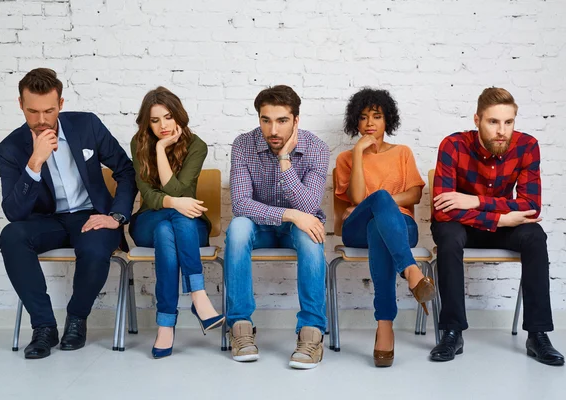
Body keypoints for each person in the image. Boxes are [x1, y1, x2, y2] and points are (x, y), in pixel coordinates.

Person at [0, 68, 137, 359]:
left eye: (48, 110)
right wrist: (34, 163)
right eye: (32, 111)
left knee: (97, 247)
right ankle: (44, 328)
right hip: (46, 221)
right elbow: (14, 212)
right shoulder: (10, 148)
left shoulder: (87, 126)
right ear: (20, 105)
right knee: (11, 237)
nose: (41, 120)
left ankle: (76, 319)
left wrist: (117, 216)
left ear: (61, 104)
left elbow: (125, 170)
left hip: (91, 215)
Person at [430, 87, 564, 366]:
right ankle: (452, 331)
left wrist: (473, 201)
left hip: (498, 226)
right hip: (462, 228)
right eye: (493, 122)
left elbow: (530, 207)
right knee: (449, 236)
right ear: (477, 120)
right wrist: (501, 218)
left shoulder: (527, 146)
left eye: (508, 122)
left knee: (535, 235)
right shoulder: (452, 145)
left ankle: (537, 335)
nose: (502, 130)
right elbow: (443, 212)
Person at [225, 85, 330, 369]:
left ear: (296, 121)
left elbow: (308, 208)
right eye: (265, 120)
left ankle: (312, 332)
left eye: (282, 120)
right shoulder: (243, 145)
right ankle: (240, 328)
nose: (273, 129)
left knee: (311, 236)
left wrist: (285, 160)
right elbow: (241, 204)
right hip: (259, 227)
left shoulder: (316, 148)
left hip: (298, 229)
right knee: (237, 229)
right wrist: (290, 215)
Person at [334, 88, 434, 367]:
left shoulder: (402, 153)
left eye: (376, 117)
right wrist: (357, 153)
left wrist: (381, 204)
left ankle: (385, 326)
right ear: (356, 122)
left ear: (387, 120)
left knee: (380, 226)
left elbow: (414, 195)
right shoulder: (346, 158)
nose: (369, 123)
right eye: (364, 117)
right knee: (378, 201)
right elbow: (355, 199)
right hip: (355, 231)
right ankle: (411, 272)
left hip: (401, 227)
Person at [129, 87, 224, 358]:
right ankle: (198, 295)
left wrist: (175, 200)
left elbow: (180, 191)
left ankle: (165, 324)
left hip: (188, 224)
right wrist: (159, 148)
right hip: (148, 219)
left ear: (178, 116)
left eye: (168, 117)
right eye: (155, 120)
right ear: (147, 123)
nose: (163, 126)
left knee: (166, 229)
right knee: (167, 220)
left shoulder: (197, 146)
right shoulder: (139, 144)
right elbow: (149, 194)